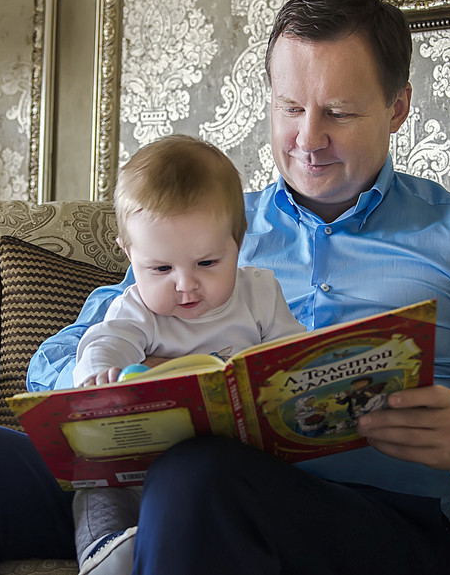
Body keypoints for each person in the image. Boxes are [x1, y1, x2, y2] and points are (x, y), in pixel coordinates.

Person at [0, 0, 450, 575]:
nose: (308, 138)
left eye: (337, 112)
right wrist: (116, 382)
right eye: (290, 108)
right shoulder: (211, 228)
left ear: (397, 108)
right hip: (158, 490)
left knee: (198, 474)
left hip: (374, 521)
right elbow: (69, 350)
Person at [67, 134, 305, 573]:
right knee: (96, 486)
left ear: (238, 241)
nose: (185, 284)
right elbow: (108, 341)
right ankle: (107, 550)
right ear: (129, 254)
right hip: (140, 467)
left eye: (207, 263)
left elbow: (292, 358)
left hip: (230, 472)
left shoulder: (260, 294)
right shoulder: (138, 309)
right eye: (161, 268)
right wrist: (99, 372)